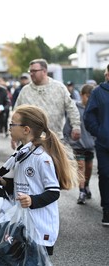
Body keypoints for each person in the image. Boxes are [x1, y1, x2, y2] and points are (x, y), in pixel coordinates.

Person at [0, 104, 77, 257]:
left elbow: (53, 192)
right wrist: (3, 182)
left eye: (12, 124)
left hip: (40, 226)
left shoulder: (42, 158)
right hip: (23, 224)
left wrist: (32, 200)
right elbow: (23, 183)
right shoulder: (22, 153)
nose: (9, 127)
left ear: (26, 130)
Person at [14, 59, 81, 146]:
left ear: (44, 71)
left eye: (34, 71)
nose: (31, 73)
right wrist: (14, 134)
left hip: (55, 139)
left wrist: (76, 126)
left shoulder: (59, 88)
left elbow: (71, 108)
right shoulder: (25, 91)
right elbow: (16, 113)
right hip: (30, 141)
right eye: (30, 71)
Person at [84, 64, 109, 226]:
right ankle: (107, 209)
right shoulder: (98, 92)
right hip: (104, 143)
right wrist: (100, 132)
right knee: (106, 175)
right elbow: (88, 116)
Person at [64, 84, 95, 204]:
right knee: (80, 166)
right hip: (78, 144)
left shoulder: (94, 108)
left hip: (91, 144)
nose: (89, 99)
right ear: (82, 95)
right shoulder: (75, 108)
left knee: (89, 167)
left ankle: (86, 185)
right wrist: (67, 139)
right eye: (87, 96)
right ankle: (81, 191)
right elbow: (68, 124)